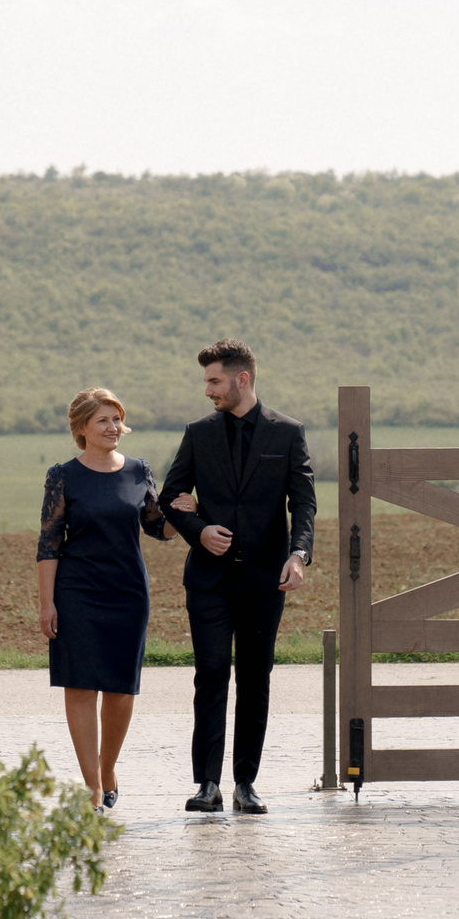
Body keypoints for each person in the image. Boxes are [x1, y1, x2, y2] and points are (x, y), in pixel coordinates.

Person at [156, 339, 316, 814]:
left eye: (214, 380)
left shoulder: (288, 433)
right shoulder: (198, 433)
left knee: (255, 679)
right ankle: (207, 785)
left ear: (241, 379)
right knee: (210, 677)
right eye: (207, 381)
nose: (208, 390)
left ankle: (246, 785)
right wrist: (199, 530)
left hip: (266, 581)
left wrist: (299, 555)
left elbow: (303, 502)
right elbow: (170, 496)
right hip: (208, 580)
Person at [35, 387, 171, 810]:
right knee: (79, 688)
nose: (113, 428)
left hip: (128, 591)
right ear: (82, 428)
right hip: (76, 591)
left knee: (121, 690)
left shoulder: (138, 470)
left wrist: (184, 514)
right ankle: (93, 786)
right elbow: (48, 543)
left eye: (117, 419)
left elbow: (158, 527)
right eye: (103, 421)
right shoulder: (63, 476)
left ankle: (107, 766)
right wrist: (47, 603)